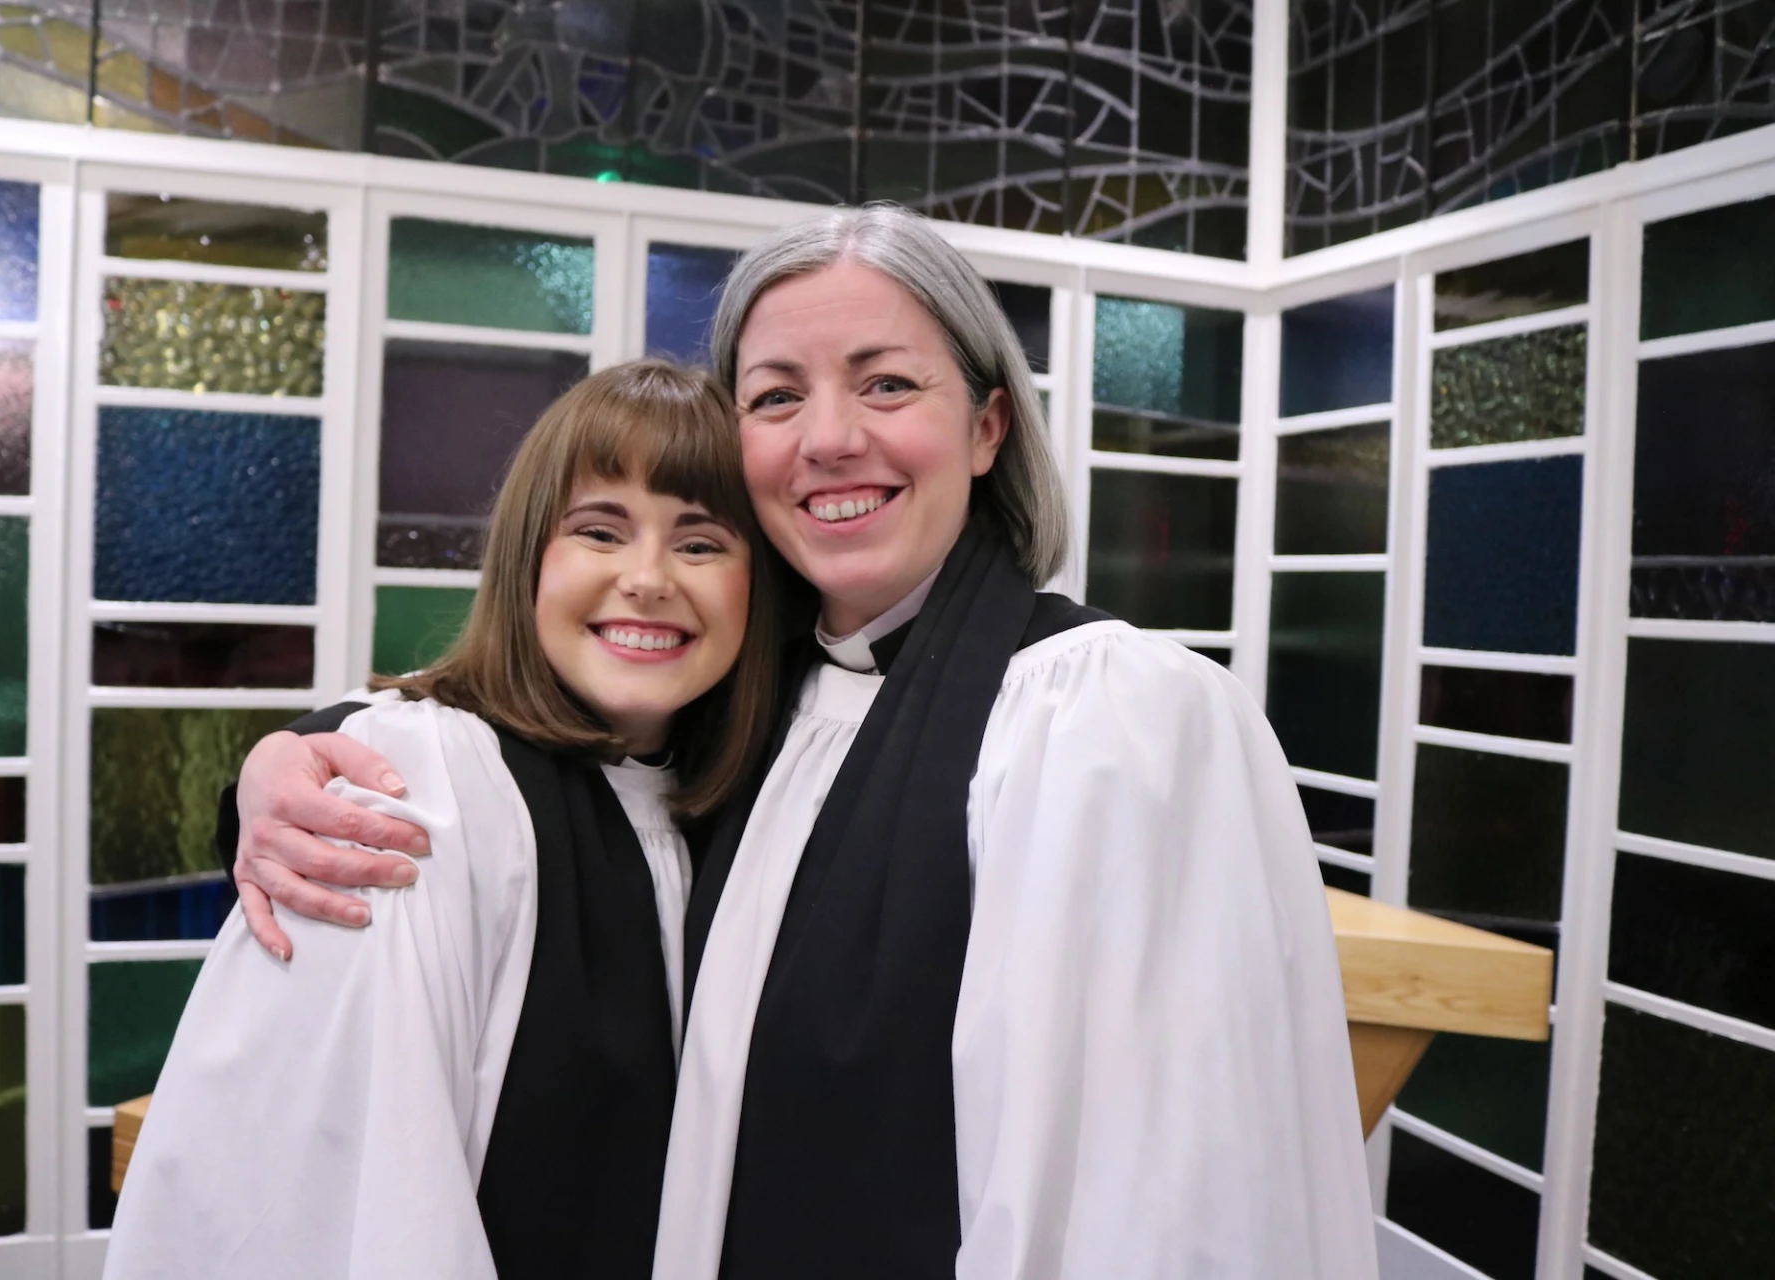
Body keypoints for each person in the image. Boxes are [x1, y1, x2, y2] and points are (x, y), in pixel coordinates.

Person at [220, 205, 1379, 1278]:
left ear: (986, 426)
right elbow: (541, 752)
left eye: (884, 383)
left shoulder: (1108, 717)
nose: (829, 437)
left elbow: (1170, 1210)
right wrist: (301, 755)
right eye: (776, 397)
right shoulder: (754, 715)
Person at [103, 360, 781, 1280]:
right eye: (599, 530)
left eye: (702, 543)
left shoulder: (739, 809)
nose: (649, 578)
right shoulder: (429, 785)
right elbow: (339, 1196)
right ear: (527, 555)